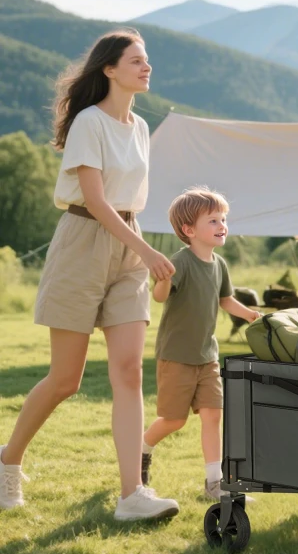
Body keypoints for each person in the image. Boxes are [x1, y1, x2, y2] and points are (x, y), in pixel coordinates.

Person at [0, 29, 180, 521]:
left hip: (128, 244)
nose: (147, 68)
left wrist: (139, 248)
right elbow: (96, 201)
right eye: (137, 61)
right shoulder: (88, 122)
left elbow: (126, 201)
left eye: (147, 61)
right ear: (109, 69)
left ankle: (131, 496)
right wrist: (147, 250)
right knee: (65, 379)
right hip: (84, 240)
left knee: (128, 371)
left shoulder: (140, 127)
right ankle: (7, 461)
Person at [140, 186, 260, 500]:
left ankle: (214, 483)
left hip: (207, 356)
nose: (222, 225)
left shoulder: (219, 265)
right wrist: (163, 278)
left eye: (223, 219)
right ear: (189, 230)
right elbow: (160, 297)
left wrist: (250, 315)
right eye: (213, 220)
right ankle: (142, 448)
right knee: (174, 420)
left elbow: (226, 299)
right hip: (177, 356)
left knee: (212, 414)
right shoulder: (180, 262)